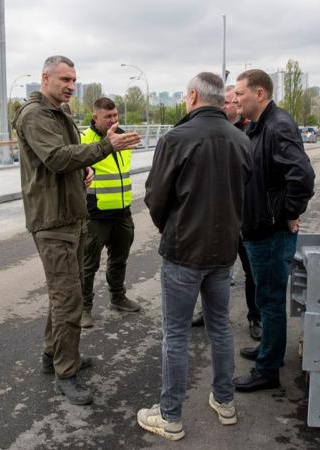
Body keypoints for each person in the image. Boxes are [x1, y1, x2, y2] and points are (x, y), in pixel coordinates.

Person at [12, 55, 141, 405]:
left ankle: (51, 357)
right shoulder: (35, 114)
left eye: (73, 80)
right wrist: (104, 147)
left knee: (63, 295)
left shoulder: (60, 112)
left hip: (71, 215)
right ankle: (65, 373)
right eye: (64, 79)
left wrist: (82, 172)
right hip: (52, 221)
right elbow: (54, 157)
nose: (70, 85)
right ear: (46, 78)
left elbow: (66, 158)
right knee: (69, 299)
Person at [139, 72, 252, 440]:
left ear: (191, 97)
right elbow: (242, 193)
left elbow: (156, 196)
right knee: (220, 328)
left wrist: (167, 226)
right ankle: (225, 401)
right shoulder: (241, 139)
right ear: (222, 99)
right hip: (224, 253)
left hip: (183, 251)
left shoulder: (175, 138)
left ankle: (170, 415)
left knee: (175, 335)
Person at [230, 69, 315, 392]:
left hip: (269, 231)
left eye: (239, 93)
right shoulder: (257, 127)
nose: (235, 99)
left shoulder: (277, 126)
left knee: (270, 300)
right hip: (258, 229)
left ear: (259, 94)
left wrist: (288, 214)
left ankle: (267, 369)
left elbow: (303, 176)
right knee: (267, 298)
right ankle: (270, 351)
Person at [191, 84, 261, 342]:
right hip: (217, 216)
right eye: (221, 103)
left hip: (245, 216)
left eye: (229, 102)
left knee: (250, 269)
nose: (224, 107)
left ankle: (255, 317)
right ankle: (207, 312)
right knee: (210, 269)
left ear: (237, 106)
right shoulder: (211, 131)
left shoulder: (250, 130)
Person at [79, 97, 142, 328]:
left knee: (119, 259)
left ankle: (118, 297)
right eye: (108, 116)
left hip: (123, 211)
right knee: (88, 264)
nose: (114, 120)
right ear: (96, 118)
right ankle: (84, 308)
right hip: (96, 215)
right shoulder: (84, 139)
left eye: (115, 115)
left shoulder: (123, 137)